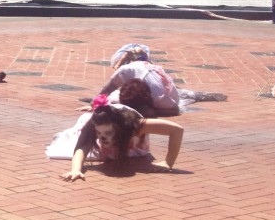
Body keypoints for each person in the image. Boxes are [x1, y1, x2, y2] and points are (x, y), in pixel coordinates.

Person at [53, 103, 184, 182]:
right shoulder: (93, 124)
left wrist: (168, 162)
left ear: (119, 129)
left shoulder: (133, 125)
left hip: (124, 122)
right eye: (99, 134)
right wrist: (76, 169)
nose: (102, 138)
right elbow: (82, 147)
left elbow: (177, 130)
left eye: (108, 133)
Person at [98, 44, 226, 116]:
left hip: (164, 90)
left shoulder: (158, 96)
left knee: (186, 95)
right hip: (150, 82)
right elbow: (106, 90)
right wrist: (95, 105)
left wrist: (154, 112)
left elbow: (175, 109)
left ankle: (195, 94)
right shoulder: (125, 71)